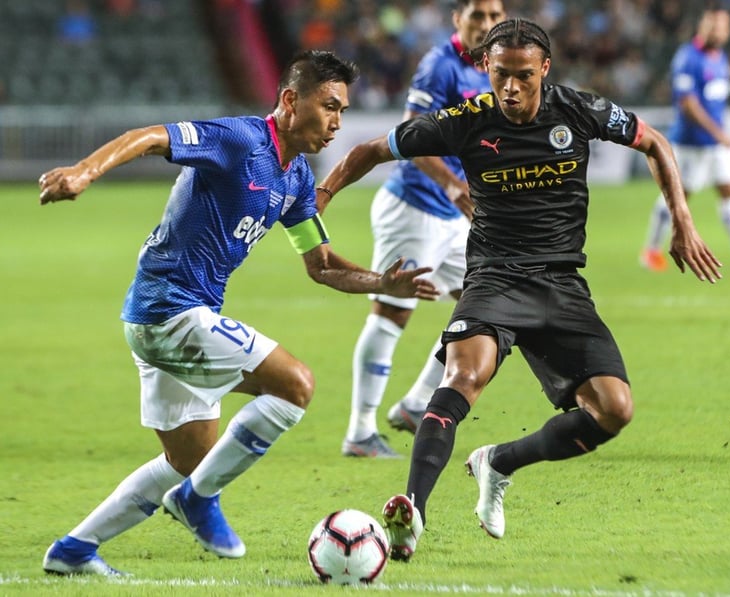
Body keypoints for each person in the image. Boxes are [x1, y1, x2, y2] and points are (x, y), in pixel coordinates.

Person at [316, 18, 722, 560]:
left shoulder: (577, 110)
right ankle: (411, 514)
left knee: (614, 410)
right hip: (494, 278)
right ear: (485, 67)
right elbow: (371, 149)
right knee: (463, 376)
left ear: (544, 70)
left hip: (561, 283)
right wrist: (320, 196)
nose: (509, 88)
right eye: (500, 74)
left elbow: (656, 143)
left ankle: (499, 463)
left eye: (523, 76)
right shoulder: (466, 120)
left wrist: (683, 222)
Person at [37, 50, 439, 576]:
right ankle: (198, 500)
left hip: (169, 317)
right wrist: (85, 172)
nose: (337, 122)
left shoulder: (295, 177)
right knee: (295, 385)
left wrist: (381, 281)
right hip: (169, 308)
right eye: (329, 106)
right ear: (291, 101)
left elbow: (320, 266)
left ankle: (73, 550)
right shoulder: (239, 140)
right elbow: (153, 135)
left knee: (188, 459)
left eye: (343, 110)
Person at [339, 0, 506, 459]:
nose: (486, 25)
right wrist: (454, 186)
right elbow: (412, 134)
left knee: (482, 306)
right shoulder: (440, 66)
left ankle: (415, 405)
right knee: (393, 312)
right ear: (459, 20)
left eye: (495, 17)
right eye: (477, 16)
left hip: (453, 218)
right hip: (415, 207)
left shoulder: (493, 69)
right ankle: (359, 433)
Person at [640, 7, 730, 273]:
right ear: (702, 26)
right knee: (677, 196)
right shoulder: (688, 58)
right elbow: (688, 104)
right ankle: (651, 251)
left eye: (723, 27)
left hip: (717, 144)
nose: (718, 31)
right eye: (713, 26)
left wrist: (720, 135)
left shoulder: (720, 57)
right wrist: (720, 134)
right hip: (692, 143)